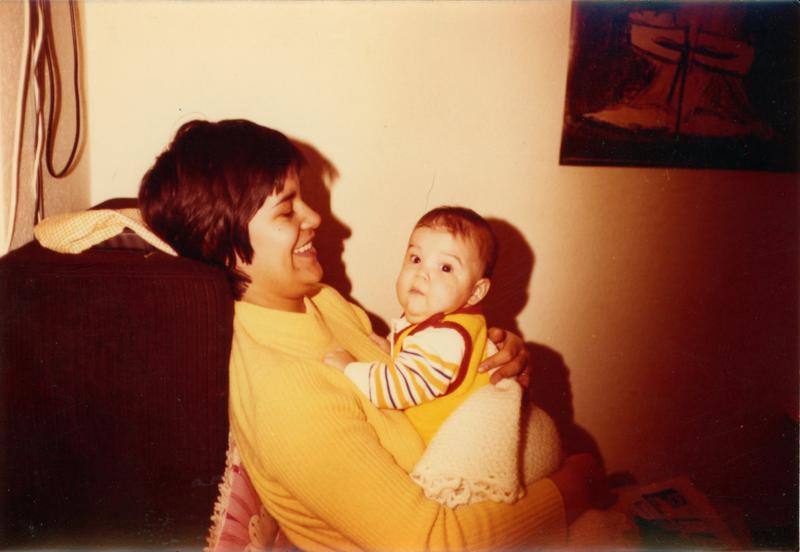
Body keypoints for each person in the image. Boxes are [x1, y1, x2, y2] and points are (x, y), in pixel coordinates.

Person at [138, 118, 609, 550]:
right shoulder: (286, 395)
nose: (314, 218)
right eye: (286, 211)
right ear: (222, 244)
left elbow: (405, 373)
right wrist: (574, 488)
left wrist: (487, 358)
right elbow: (432, 544)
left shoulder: (317, 299)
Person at [324, 206, 562, 508]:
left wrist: (350, 368)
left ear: (475, 293)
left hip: (463, 455)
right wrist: (389, 350)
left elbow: (400, 388)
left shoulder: (446, 337)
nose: (422, 273)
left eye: (445, 268)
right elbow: (418, 366)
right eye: (415, 258)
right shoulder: (437, 324)